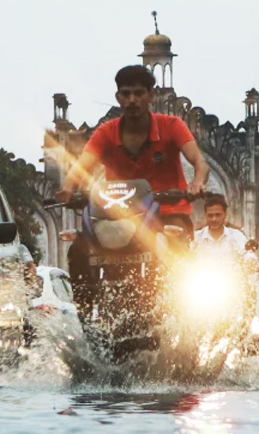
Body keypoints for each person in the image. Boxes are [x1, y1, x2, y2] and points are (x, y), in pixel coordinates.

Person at [54, 65, 211, 314]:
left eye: (139, 93)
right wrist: (67, 189)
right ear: (118, 97)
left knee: (178, 247)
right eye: (126, 94)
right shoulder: (106, 133)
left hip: (168, 211)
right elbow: (81, 166)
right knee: (79, 250)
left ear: (151, 95)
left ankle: (185, 313)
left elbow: (199, 161)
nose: (132, 100)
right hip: (118, 217)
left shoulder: (172, 126)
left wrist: (197, 183)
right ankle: (85, 314)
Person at [193, 194, 247, 259]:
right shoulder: (196, 238)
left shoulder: (237, 236)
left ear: (225, 214)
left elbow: (247, 256)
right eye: (210, 215)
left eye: (218, 215)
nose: (214, 219)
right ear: (205, 216)